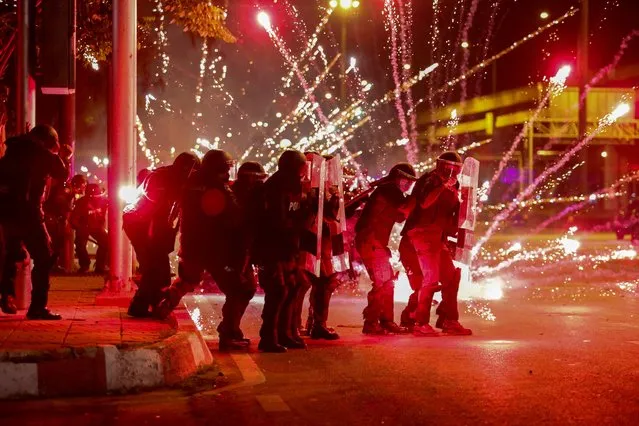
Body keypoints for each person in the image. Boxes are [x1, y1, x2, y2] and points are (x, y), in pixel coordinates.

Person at [156, 150, 256, 351]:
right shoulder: (217, 188)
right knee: (242, 289)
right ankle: (229, 333)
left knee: (186, 280)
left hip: (192, 247)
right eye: (226, 168)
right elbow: (234, 218)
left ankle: (162, 305)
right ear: (219, 168)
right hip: (216, 251)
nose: (228, 172)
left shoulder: (191, 185)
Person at [0, 124, 69, 320]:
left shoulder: (12, 150)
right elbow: (61, 173)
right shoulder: (41, 154)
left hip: (7, 212)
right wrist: (61, 155)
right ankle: (38, 306)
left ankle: (7, 294)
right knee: (44, 256)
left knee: (12, 252)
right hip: (29, 212)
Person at [403, 151, 472, 336]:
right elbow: (424, 203)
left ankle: (449, 320)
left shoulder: (454, 185)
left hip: (437, 236)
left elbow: (453, 214)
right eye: (449, 167)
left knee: (451, 278)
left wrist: (464, 203)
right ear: (440, 165)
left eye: (455, 168)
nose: (452, 172)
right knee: (431, 279)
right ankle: (420, 322)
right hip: (422, 233)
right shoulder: (429, 180)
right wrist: (442, 186)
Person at [124, 153, 200, 318]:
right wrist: (157, 239)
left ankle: (153, 302)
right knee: (154, 267)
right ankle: (140, 305)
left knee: (159, 266)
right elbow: (154, 213)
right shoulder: (160, 179)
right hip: (139, 223)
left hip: (150, 224)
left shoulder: (176, 180)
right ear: (187, 169)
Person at [254, 149, 311, 352]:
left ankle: (285, 334)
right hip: (274, 248)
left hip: (288, 247)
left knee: (292, 288)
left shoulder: (292, 185)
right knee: (278, 291)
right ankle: (268, 337)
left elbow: (294, 213)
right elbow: (278, 221)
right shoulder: (276, 187)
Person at [355, 163, 417, 335]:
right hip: (371, 240)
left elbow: (397, 217)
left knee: (388, 281)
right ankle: (372, 323)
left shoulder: (386, 190)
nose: (409, 184)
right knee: (383, 282)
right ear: (397, 177)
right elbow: (404, 211)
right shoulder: (390, 189)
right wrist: (419, 195)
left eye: (412, 181)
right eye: (407, 180)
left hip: (374, 241)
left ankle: (386, 322)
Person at [70, 183, 109, 274]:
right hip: (84, 226)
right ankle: (85, 265)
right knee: (80, 245)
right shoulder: (81, 203)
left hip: (97, 227)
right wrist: (79, 227)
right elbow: (73, 219)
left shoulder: (104, 201)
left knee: (106, 242)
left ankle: (100, 266)